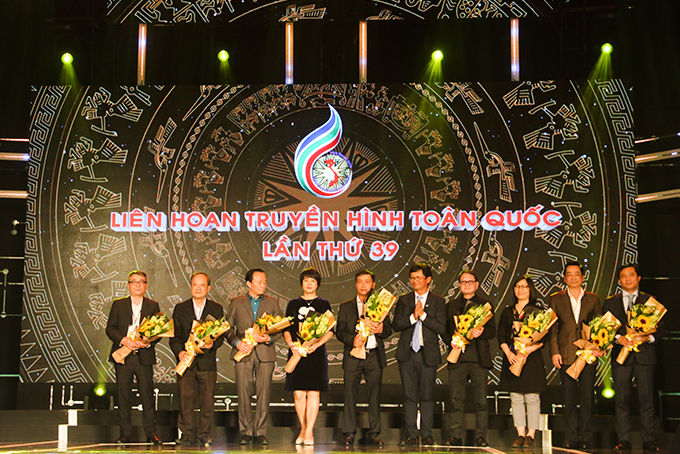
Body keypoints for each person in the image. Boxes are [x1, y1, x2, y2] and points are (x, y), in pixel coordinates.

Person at [603, 264, 662, 453]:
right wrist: (617, 338)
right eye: (623, 276)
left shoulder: (650, 301)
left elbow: (661, 330)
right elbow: (604, 329)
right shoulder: (610, 302)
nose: (628, 279)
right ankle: (623, 439)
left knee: (646, 399)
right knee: (622, 398)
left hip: (644, 356)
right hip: (621, 357)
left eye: (631, 275)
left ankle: (648, 439)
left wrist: (648, 338)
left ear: (638, 278)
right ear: (619, 280)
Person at [548, 261, 602, 449]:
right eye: (569, 274)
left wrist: (598, 345)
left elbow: (599, 326)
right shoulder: (556, 298)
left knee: (587, 398)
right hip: (566, 353)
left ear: (582, 277)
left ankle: (586, 437)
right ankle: (571, 437)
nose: (573, 277)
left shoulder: (593, 299)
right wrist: (554, 351)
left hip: (588, 354)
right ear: (564, 278)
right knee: (569, 398)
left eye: (576, 274)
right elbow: (552, 329)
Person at [105, 270, 163, 445]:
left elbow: (158, 331)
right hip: (124, 356)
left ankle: (151, 433)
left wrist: (147, 342)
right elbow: (110, 328)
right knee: (123, 396)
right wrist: (123, 340)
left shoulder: (153, 305)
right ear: (128, 285)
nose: (138, 284)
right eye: (134, 282)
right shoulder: (119, 305)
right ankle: (125, 433)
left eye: (141, 282)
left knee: (147, 396)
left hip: (144, 356)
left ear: (146, 285)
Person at [226, 268, 282, 446]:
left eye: (265, 281)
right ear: (249, 283)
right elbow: (227, 329)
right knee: (243, 392)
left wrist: (269, 338)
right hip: (243, 352)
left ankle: (260, 432)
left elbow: (280, 328)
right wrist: (237, 344)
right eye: (259, 282)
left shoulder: (272, 302)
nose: (263, 285)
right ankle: (245, 431)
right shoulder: (236, 302)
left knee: (264, 393)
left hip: (265, 353)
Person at [336, 269, 392, 446]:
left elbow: (389, 330)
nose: (363, 285)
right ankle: (348, 433)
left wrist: (381, 329)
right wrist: (352, 340)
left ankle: (373, 433)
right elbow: (339, 332)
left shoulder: (381, 305)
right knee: (350, 395)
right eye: (360, 282)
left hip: (374, 355)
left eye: (367, 282)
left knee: (374, 396)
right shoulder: (346, 306)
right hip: (353, 356)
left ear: (373, 284)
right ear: (355, 284)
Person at [393, 262, 446, 446]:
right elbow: (396, 325)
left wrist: (423, 316)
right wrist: (412, 317)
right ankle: (411, 434)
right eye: (412, 278)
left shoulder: (438, 301)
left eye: (418, 277)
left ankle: (427, 433)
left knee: (427, 395)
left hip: (427, 354)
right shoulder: (404, 300)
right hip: (407, 354)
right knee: (409, 396)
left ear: (428, 279)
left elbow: (441, 327)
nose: (415, 281)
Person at [170, 272, 225, 447]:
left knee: (207, 400)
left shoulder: (216, 309)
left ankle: (205, 434)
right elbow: (174, 337)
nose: (198, 288)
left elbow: (221, 336)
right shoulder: (180, 308)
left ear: (208, 288)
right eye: (195, 285)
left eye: (202, 285)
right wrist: (179, 352)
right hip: (187, 362)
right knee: (185, 399)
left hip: (207, 362)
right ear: (191, 287)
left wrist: (212, 344)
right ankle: (186, 433)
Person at [444, 269, 496, 447]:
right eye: (463, 282)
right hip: (458, 358)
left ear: (476, 284)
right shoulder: (451, 305)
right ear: (459, 285)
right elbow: (444, 330)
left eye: (470, 282)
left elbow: (492, 331)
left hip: (479, 359)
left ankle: (481, 436)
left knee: (481, 400)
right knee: (456, 399)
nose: (466, 285)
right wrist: (451, 340)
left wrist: (481, 332)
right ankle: (455, 435)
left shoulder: (485, 305)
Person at [283, 267, 335, 446]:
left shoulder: (323, 304)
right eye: (306, 280)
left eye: (312, 280)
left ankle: (309, 432)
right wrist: (292, 345)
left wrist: (318, 344)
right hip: (297, 351)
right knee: (298, 393)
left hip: (316, 353)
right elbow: (287, 328)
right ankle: (303, 428)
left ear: (317, 284)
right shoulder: (293, 304)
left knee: (313, 392)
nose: (309, 283)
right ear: (301, 283)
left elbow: (330, 330)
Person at [498, 276, 547, 448]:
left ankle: (531, 435)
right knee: (516, 398)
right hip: (512, 358)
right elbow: (501, 336)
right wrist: (509, 353)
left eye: (524, 287)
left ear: (530, 289)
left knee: (532, 398)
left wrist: (527, 350)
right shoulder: (507, 311)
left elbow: (543, 339)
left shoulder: (538, 311)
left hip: (531, 360)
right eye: (518, 286)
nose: (520, 289)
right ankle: (520, 434)